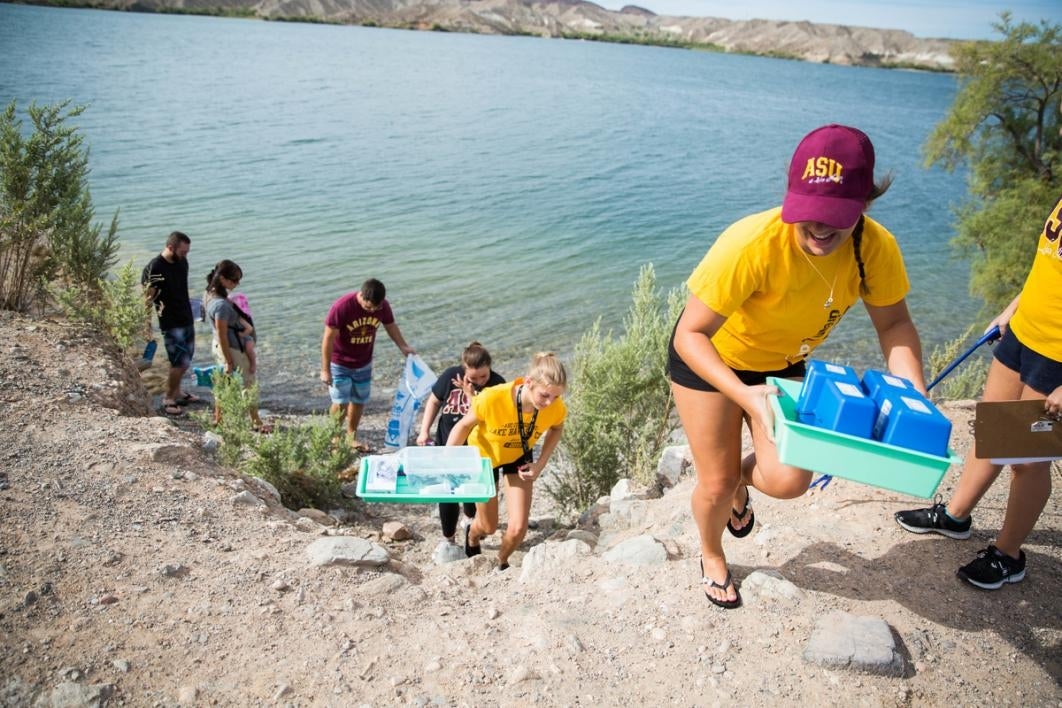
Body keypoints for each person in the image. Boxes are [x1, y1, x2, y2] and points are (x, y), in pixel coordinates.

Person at [668, 124, 926, 608]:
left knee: (789, 481)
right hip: (710, 360)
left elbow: (894, 326)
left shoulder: (876, 249)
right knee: (716, 481)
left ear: (865, 203)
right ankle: (712, 553)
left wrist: (914, 396)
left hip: (783, 366)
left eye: (835, 215)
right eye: (808, 212)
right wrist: (744, 396)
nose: (820, 228)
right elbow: (689, 334)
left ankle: (739, 484)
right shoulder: (751, 244)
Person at [895, 194, 1062, 590]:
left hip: (1057, 357)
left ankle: (1008, 555)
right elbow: (1049, 262)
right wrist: (1014, 308)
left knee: (1027, 461)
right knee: (991, 431)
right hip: (1025, 332)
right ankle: (955, 517)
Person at [446, 352, 567, 570]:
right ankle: (472, 536)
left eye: (556, 397)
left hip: (518, 453)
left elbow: (557, 428)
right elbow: (463, 426)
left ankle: (499, 562)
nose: (550, 403)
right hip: (484, 457)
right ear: (528, 382)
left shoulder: (555, 408)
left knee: (518, 528)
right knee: (488, 526)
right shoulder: (492, 398)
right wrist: (447, 462)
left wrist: (539, 465)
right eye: (545, 396)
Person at [416, 342, 506, 563]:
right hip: (448, 448)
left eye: (483, 376)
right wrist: (424, 430)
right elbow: (434, 401)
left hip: (480, 453)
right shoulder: (450, 376)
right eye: (474, 378)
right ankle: (448, 540)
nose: (480, 381)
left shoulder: (497, 384)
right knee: (446, 496)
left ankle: (470, 525)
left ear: (490, 368)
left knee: (474, 495)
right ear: (463, 368)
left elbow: (490, 418)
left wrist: (470, 392)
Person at [320, 278, 415, 453]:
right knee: (340, 401)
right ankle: (334, 437)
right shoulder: (342, 307)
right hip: (340, 362)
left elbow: (390, 326)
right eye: (368, 307)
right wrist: (325, 369)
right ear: (361, 295)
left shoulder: (383, 306)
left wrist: (403, 346)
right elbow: (328, 338)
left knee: (359, 400)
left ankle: (351, 437)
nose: (372, 311)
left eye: (375, 308)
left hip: (364, 362)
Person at [204, 260, 267, 431]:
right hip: (231, 348)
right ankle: (256, 422)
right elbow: (223, 333)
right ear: (223, 278)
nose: (237, 283)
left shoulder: (209, 293)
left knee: (223, 384)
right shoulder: (221, 305)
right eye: (234, 280)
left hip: (217, 345)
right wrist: (229, 361)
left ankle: (219, 419)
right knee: (248, 382)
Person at [142, 231, 199, 416]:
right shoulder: (155, 268)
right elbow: (147, 299)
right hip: (170, 322)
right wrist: (147, 325)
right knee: (178, 362)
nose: (185, 255)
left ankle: (178, 391)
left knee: (187, 359)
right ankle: (169, 399)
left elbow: (181, 288)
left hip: (186, 317)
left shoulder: (182, 261)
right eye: (183, 252)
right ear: (170, 247)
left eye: (187, 252)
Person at [229, 291, 257, 377]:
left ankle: (253, 364)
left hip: (248, 337)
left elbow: (249, 328)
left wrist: (241, 335)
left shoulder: (240, 318)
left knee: (249, 349)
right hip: (242, 337)